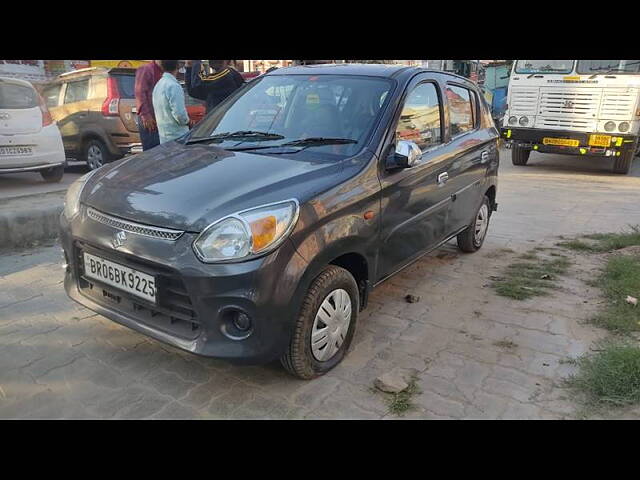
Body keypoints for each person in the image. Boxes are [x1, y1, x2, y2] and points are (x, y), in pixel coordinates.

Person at [152, 60, 193, 144]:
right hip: (178, 136)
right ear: (177, 66)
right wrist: (189, 121)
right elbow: (180, 115)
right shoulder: (173, 86)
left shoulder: (158, 85)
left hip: (164, 137)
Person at [134, 60, 163, 150]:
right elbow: (139, 92)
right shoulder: (146, 69)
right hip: (149, 119)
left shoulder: (165, 72)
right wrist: (146, 115)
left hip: (161, 120)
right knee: (152, 153)